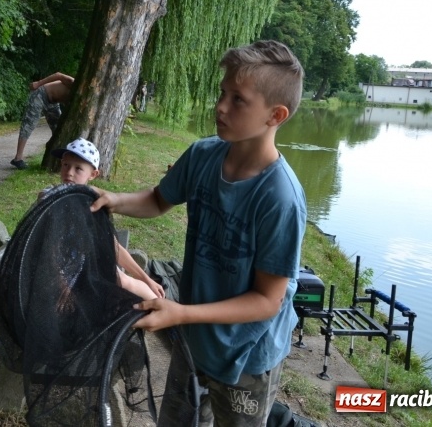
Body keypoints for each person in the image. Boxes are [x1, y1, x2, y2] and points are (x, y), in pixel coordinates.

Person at [90, 40, 307, 426]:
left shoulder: (280, 198)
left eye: (238, 100)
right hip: (194, 339)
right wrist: (113, 199)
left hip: (247, 356)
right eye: (222, 93)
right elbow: (158, 200)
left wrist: (180, 313)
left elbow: (267, 300)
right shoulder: (203, 155)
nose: (220, 106)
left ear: (276, 114)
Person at [42, 137, 165, 301]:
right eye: (65, 165)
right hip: (56, 269)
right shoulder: (48, 198)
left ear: (93, 174)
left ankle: (165, 314)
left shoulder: (93, 203)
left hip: (87, 265)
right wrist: (63, 286)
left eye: (78, 168)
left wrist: (146, 279)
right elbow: (49, 246)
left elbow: (113, 246)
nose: (69, 172)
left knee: (124, 281)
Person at [10, 71, 74, 169]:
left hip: (53, 103)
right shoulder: (74, 83)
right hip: (41, 94)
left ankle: (53, 154)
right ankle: (17, 159)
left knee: (58, 128)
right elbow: (58, 75)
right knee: (29, 125)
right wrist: (38, 83)